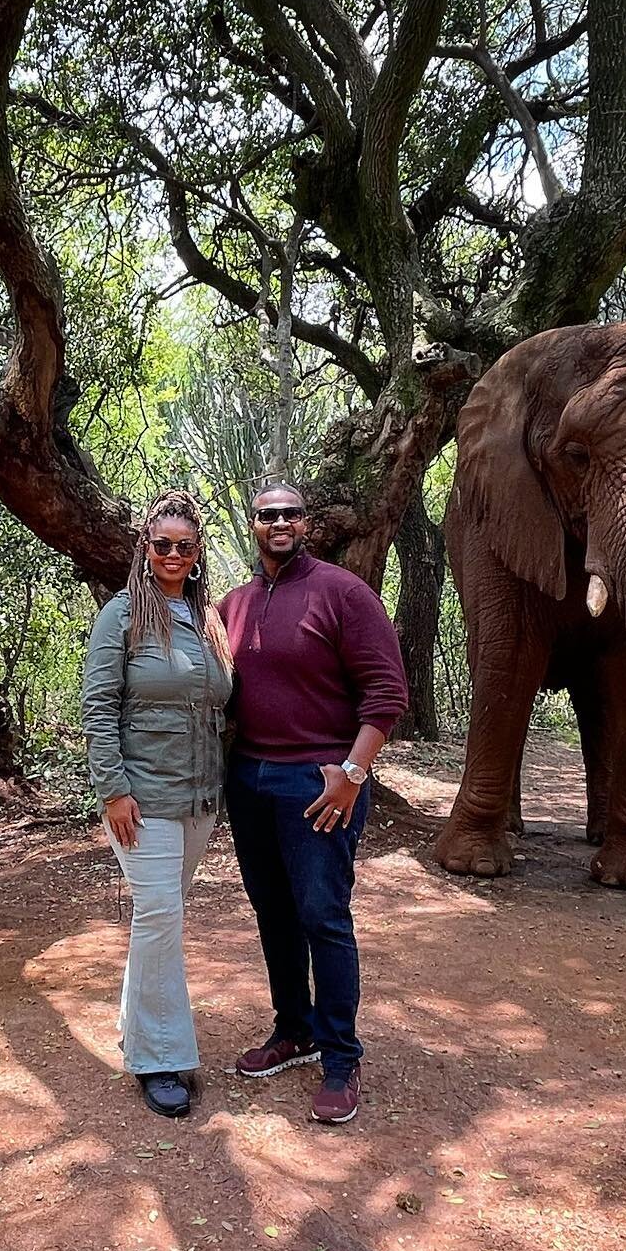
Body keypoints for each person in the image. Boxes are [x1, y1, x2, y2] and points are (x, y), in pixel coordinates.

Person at [218, 482, 408, 1125]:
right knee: (273, 914)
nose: (279, 524)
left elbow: (386, 691)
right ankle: (293, 1030)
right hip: (249, 780)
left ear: (307, 524)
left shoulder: (343, 592)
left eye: (289, 515)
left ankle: (340, 1057)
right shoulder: (233, 607)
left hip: (318, 782)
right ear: (253, 525)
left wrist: (353, 772)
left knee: (323, 916)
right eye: (267, 515)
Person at [81, 490, 234, 1118]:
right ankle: (162, 1058)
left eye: (185, 546)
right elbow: (97, 707)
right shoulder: (121, 616)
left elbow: (223, 705)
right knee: (161, 917)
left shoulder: (209, 623)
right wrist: (113, 789)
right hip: (142, 801)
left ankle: (137, 1025)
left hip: (200, 800)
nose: (173, 554)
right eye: (161, 544)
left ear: (197, 556)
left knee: (157, 923)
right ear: (145, 551)